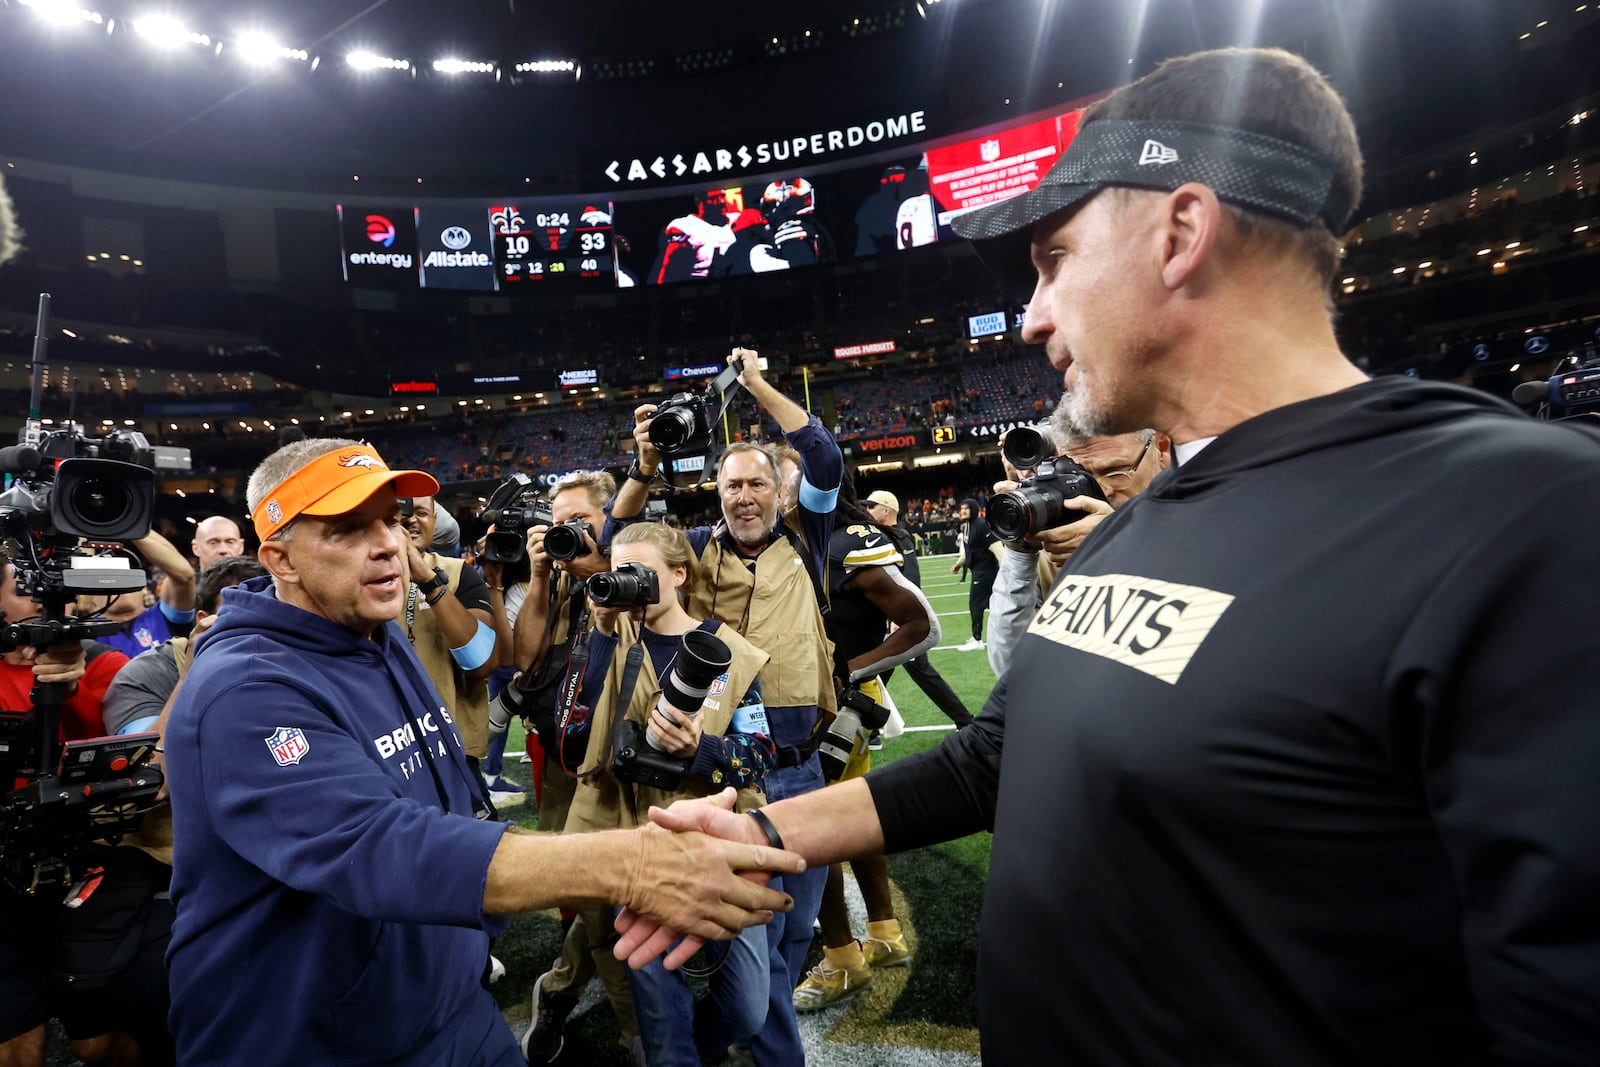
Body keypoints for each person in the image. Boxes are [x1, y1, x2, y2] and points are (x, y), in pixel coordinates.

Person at [613, 47, 1600, 1064]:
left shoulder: (1524, 514)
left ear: (1179, 233)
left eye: (1052, 260)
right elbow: (993, 758)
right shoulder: (1144, 515)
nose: (1034, 312)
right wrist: (763, 836)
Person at [161, 438, 803, 1067]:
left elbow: (450, 798)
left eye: (388, 520)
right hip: (313, 1038)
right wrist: (632, 863)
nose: (387, 542)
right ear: (280, 559)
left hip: (445, 1004)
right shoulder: (244, 688)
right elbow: (379, 846)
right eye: (347, 530)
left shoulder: (377, 638)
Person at [609, 347, 842, 1067]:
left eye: (757, 483)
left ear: (780, 491)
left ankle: (739, 1039)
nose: (744, 495)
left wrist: (756, 386)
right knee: (761, 942)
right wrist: (645, 462)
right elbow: (619, 538)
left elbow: (823, 455)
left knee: (793, 934)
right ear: (716, 492)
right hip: (725, 770)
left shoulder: (810, 537)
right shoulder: (697, 550)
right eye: (732, 483)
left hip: (801, 770)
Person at [557, 522, 778, 1066]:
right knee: (660, 1019)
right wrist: (602, 633)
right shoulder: (607, 640)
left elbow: (760, 755)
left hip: (716, 846)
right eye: (618, 572)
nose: (627, 583)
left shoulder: (729, 652)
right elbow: (574, 733)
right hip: (638, 849)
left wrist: (702, 751)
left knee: (747, 1009)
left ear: (679, 574)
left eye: (641, 573)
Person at [793, 476, 938, 1013]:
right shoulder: (799, 540)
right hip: (821, 704)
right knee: (848, 823)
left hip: (830, 710)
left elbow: (921, 625)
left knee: (812, 828)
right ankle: (884, 931)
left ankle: (842, 958)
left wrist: (845, 676)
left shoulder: (842, 541)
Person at [514, 471, 643, 1063]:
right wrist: (542, 577)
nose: (569, 533)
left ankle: (567, 994)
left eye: (581, 522)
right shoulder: (559, 587)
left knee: (616, 898)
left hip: (626, 765)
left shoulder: (632, 569)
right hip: (567, 765)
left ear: (607, 521)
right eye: (558, 523)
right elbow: (525, 656)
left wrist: (595, 569)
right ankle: (628, 1029)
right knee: (592, 900)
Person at [0, 558, 133, 1067]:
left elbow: (135, 766)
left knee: (97, 1043)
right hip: (9, 885)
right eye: (28, 587)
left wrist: (72, 691)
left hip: (93, 871)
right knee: (17, 1044)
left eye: (54, 589)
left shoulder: (110, 668)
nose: (44, 599)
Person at [986, 414, 1171, 679]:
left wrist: (1120, 544)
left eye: (1115, 472)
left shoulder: (1208, 510)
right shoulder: (1059, 539)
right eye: (1081, 478)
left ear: (1161, 450)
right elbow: (1011, 669)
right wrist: (1020, 553)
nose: (1101, 491)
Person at [396, 494, 505, 798]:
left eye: (422, 513)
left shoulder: (458, 572)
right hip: (380, 747)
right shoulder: (356, 577)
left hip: (451, 747)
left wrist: (428, 582)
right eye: (401, 512)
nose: (411, 519)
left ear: (434, 522)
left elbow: (482, 662)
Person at [861, 489, 973, 727]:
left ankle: (966, 722)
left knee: (920, 672)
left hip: (902, 621)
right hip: (891, 620)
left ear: (886, 510)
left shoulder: (898, 536)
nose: (867, 511)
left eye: (871, 507)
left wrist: (900, 617)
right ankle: (867, 730)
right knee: (875, 672)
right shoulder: (883, 535)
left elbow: (911, 577)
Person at [91, 531, 197, 660]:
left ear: (144, 588)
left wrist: (131, 526)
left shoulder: (164, 616)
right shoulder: (86, 631)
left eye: (127, 576)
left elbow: (184, 575)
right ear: (90, 594)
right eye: (108, 579)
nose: (119, 583)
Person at [947, 498, 995, 650]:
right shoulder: (967, 526)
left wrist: (1006, 570)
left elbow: (995, 546)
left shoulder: (981, 524)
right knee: (991, 604)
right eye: (962, 508)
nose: (963, 511)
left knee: (976, 603)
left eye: (967, 508)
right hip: (978, 571)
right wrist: (959, 564)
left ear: (973, 509)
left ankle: (977, 639)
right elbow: (970, 550)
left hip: (986, 571)